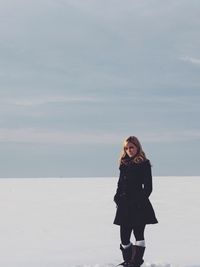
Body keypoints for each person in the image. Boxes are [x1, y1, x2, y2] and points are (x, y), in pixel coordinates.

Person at [113, 136, 158, 267]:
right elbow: (120, 184)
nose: (129, 150)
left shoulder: (144, 163)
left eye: (131, 147)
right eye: (126, 148)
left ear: (137, 147)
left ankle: (136, 262)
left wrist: (139, 201)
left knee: (139, 234)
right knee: (124, 238)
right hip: (124, 205)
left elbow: (148, 188)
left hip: (139, 205)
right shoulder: (123, 164)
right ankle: (128, 260)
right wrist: (116, 197)